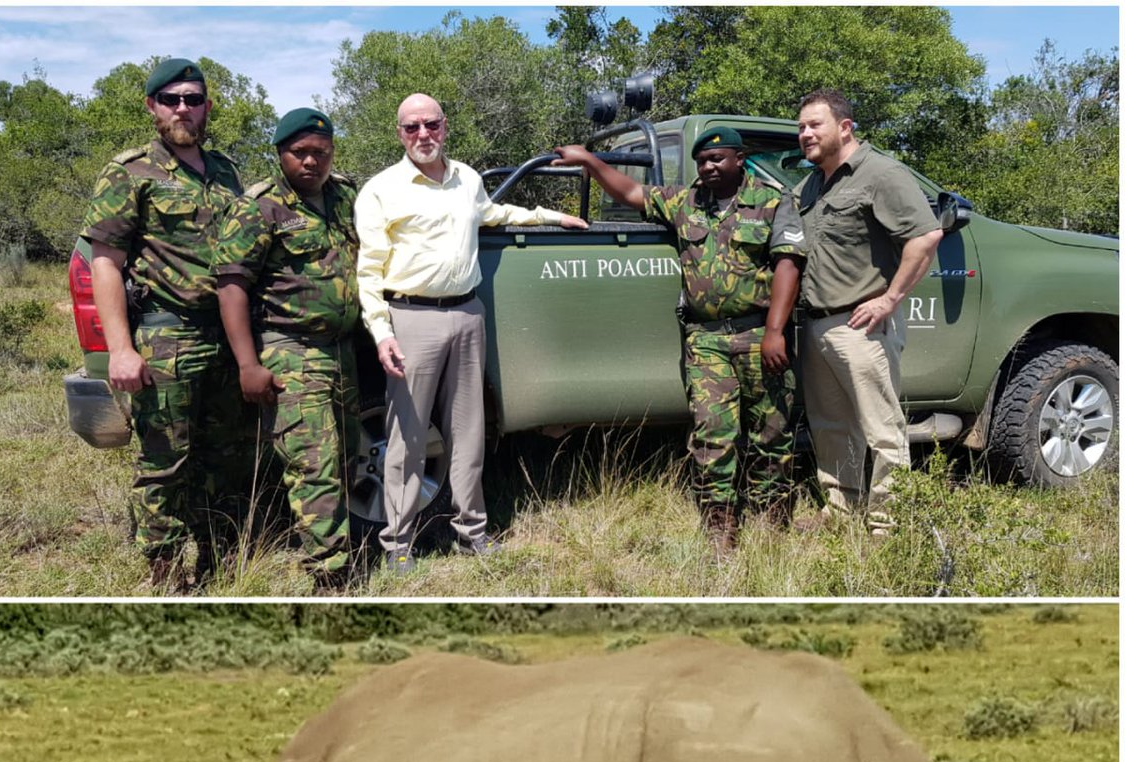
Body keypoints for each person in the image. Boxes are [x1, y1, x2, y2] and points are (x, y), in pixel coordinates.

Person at [355, 93, 589, 573]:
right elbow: (368, 271)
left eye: (432, 124)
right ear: (399, 133)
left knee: (469, 432)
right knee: (408, 437)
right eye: (412, 127)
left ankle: (472, 533)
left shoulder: (467, 179)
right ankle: (397, 544)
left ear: (446, 125)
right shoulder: (381, 190)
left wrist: (551, 217)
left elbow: (494, 215)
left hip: (467, 313)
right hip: (410, 317)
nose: (424, 135)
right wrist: (382, 332)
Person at [554, 126, 805, 555]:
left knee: (772, 431)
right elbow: (631, 192)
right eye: (703, 161)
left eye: (717, 159)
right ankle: (720, 529)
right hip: (705, 340)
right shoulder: (685, 202)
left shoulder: (772, 201)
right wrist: (591, 163)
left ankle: (770, 521)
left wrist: (776, 331)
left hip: (759, 334)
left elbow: (789, 265)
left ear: (739, 159)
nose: (708, 167)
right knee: (713, 434)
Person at [81, 57, 257, 591]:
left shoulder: (226, 171)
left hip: (226, 337)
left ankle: (221, 562)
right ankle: (163, 573)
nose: (184, 108)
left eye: (193, 98)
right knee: (165, 463)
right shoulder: (129, 171)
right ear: (152, 107)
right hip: (166, 335)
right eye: (172, 99)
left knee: (225, 456)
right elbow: (105, 262)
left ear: (206, 107)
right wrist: (120, 349)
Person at [214, 108, 361, 592]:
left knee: (345, 458)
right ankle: (332, 579)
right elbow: (232, 285)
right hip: (290, 347)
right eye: (300, 152)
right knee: (314, 466)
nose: (311, 162)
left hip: (342, 349)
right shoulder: (260, 205)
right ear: (280, 154)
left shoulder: (343, 195)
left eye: (320, 152)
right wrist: (248, 363)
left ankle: (339, 552)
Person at [793, 88, 943, 534]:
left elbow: (926, 237)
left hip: (861, 324)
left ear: (844, 126)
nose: (805, 134)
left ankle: (886, 524)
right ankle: (842, 509)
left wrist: (890, 298)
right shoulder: (812, 184)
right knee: (830, 424)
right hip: (817, 324)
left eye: (814, 124)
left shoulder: (881, 174)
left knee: (882, 430)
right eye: (801, 127)